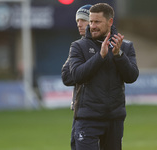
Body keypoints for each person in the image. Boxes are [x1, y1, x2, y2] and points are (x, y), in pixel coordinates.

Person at [65, 3, 139, 150]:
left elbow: (132, 76)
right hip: (87, 119)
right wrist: (100, 56)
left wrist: (118, 55)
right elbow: (76, 76)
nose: (92, 26)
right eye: (91, 21)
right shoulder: (78, 46)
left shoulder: (125, 46)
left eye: (97, 22)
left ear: (110, 22)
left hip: (114, 119)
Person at [61, 4, 92, 150]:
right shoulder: (77, 47)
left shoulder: (106, 45)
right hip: (79, 111)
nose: (79, 24)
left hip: (99, 112)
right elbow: (67, 76)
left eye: (83, 20)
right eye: (77, 20)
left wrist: (81, 71)